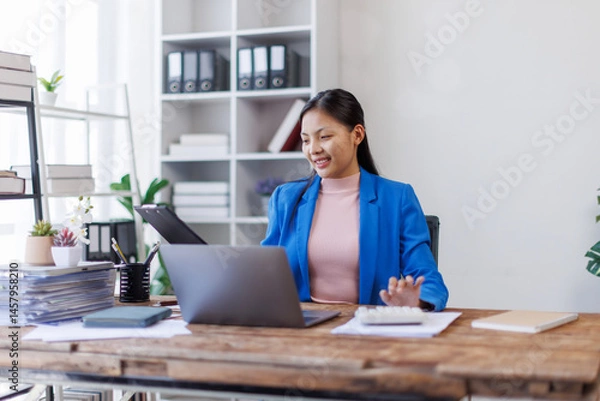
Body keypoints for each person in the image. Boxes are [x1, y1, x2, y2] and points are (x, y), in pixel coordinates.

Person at [261, 89, 448, 311]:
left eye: (324, 137)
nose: (314, 149)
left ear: (357, 135)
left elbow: (429, 281)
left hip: (368, 330)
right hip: (302, 328)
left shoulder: (397, 198)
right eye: (305, 140)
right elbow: (265, 274)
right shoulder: (285, 198)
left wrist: (416, 301)